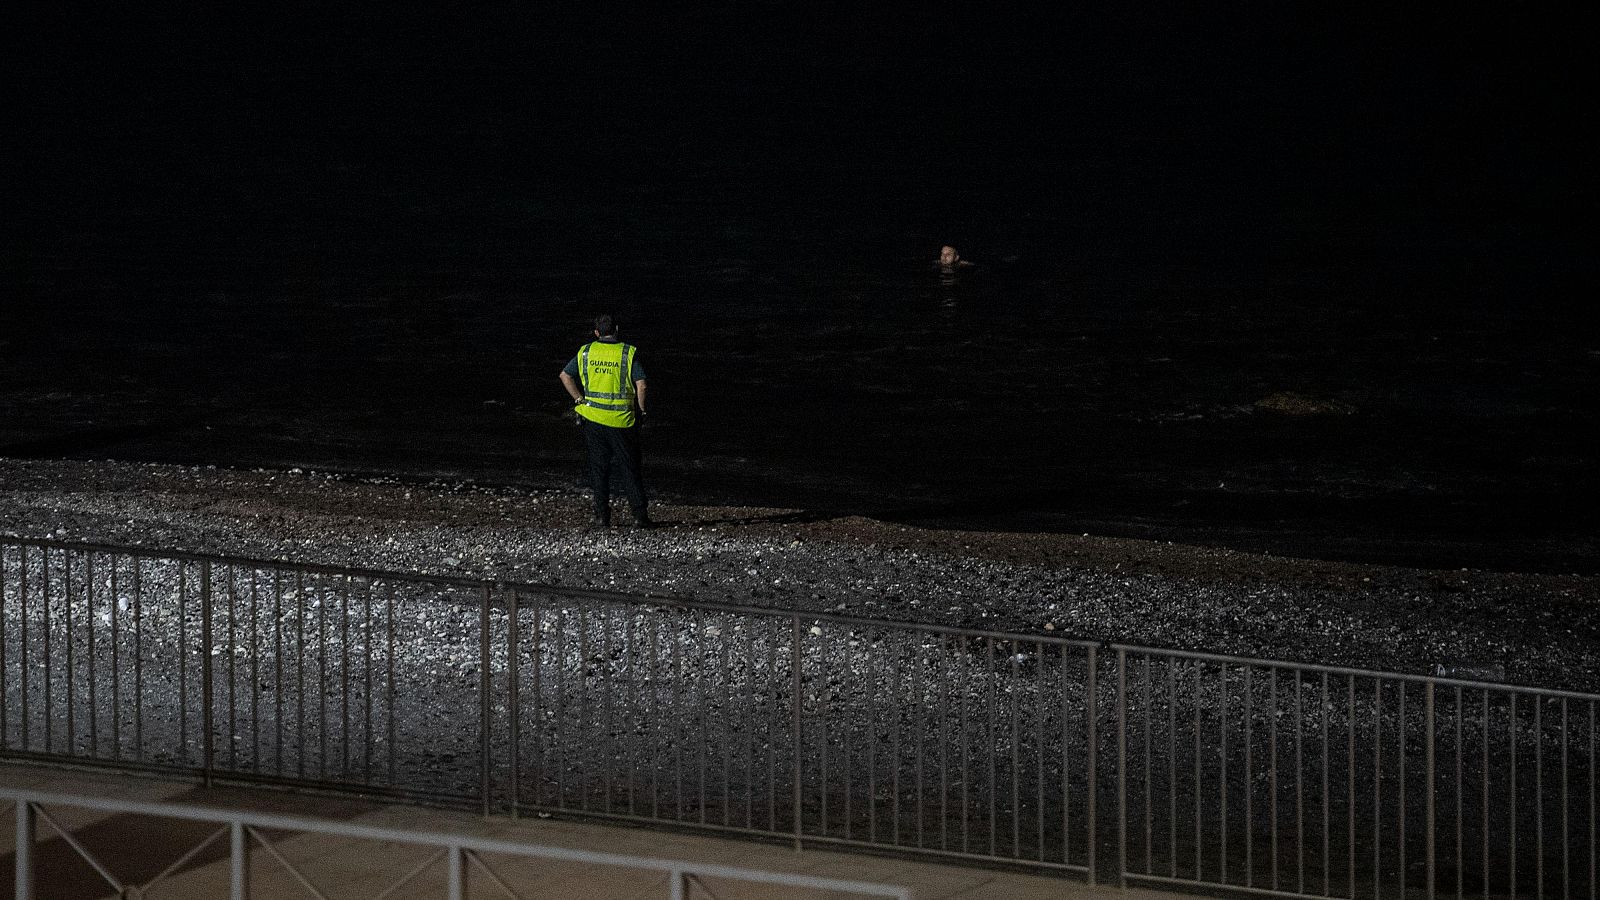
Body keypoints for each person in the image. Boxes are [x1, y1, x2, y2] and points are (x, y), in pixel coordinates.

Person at [559, 315, 652, 529]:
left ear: (596, 333)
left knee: (599, 469)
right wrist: (642, 410)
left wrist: (579, 400)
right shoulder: (627, 353)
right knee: (630, 469)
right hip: (622, 422)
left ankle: (602, 516)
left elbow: (565, 375)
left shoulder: (586, 351)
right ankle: (639, 516)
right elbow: (642, 385)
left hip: (593, 420)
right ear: (616, 330)